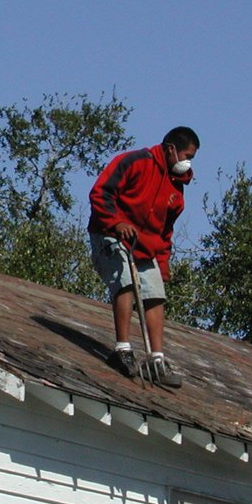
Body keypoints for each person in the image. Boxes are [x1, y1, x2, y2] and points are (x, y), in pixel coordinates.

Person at [87, 126, 200, 387]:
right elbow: (100, 192)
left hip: (145, 247)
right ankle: (122, 349)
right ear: (171, 149)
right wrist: (116, 223)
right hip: (110, 234)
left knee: (155, 294)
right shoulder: (135, 162)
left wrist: (162, 266)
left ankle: (157, 359)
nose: (188, 162)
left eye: (191, 158)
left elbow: (165, 234)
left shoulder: (177, 190)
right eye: (186, 155)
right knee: (125, 281)